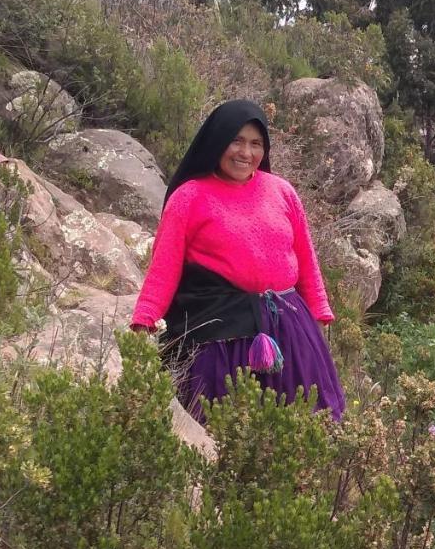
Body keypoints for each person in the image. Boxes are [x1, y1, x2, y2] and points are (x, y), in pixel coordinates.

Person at [130, 99, 345, 422]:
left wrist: (319, 308)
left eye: (256, 144)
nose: (246, 153)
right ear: (217, 141)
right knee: (220, 429)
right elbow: (165, 267)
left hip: (289, 329)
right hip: (219, 337)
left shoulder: (282, 192)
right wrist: (145, 318)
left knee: (303, 425)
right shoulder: (188, 198)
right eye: (237, 140)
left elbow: (304, 257)